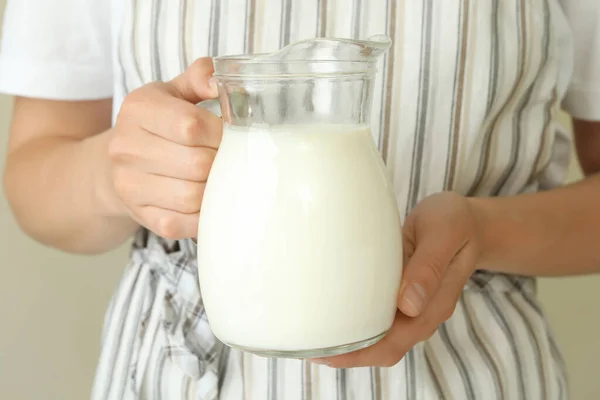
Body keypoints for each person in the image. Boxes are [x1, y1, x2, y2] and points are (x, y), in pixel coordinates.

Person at [1, 0, 599, 398]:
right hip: (177, 374)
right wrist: (114, 176)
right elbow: (35, 174)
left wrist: (484, 232)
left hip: (473, 371)